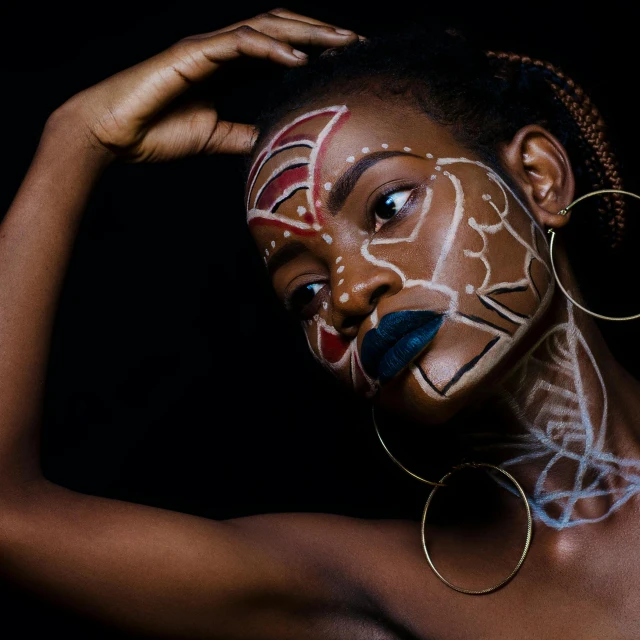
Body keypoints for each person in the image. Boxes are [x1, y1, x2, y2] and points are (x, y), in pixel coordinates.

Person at [0, 7, 639, 638]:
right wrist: (77, 136)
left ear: (538, 179)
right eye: (305, 291)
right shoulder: (372, 594)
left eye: (388, 206)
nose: (350, 294)